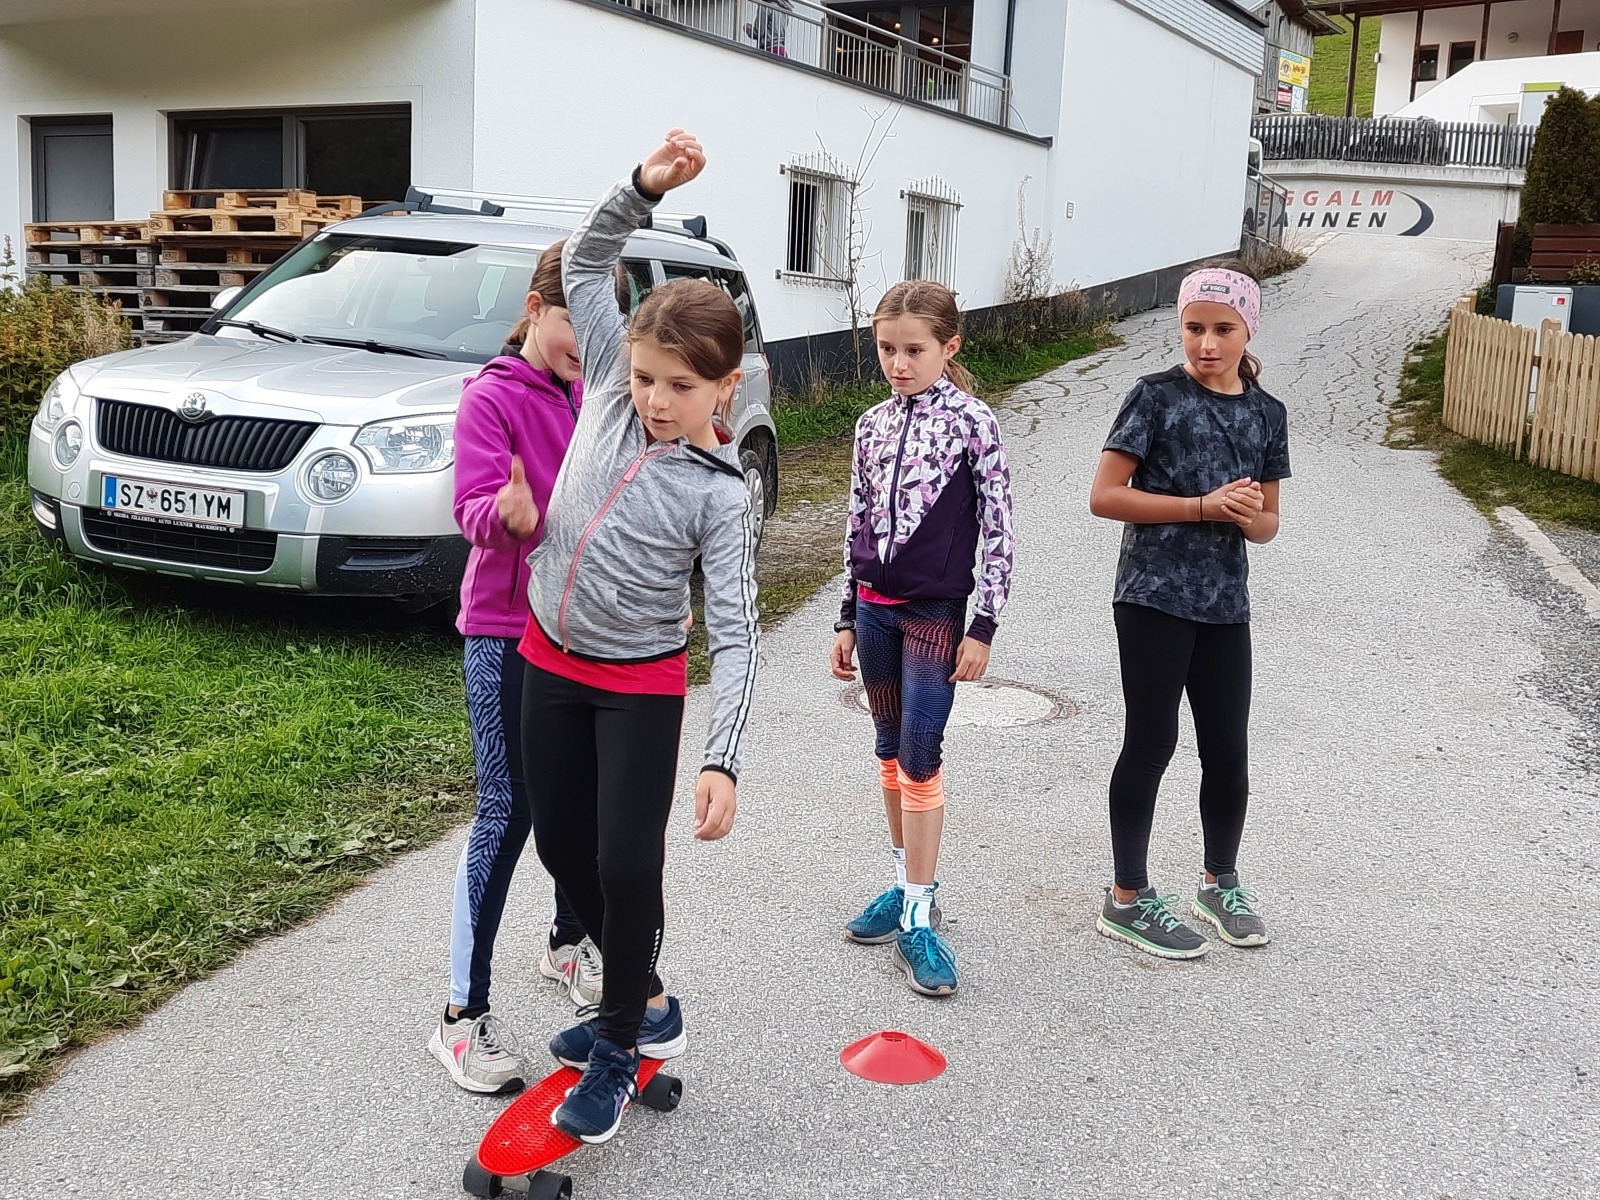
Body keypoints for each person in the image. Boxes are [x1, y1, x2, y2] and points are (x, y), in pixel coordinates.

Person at [510, 130, 759, 1144]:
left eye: (681, 388)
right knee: (561, 848)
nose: (657, 400)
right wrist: (642, 188)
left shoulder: (720, 494)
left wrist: (722, 759)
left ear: (724, 387)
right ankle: (645, 1000)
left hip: (639, 686)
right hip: (546, 656)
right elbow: (583, 262)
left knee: (625, 865)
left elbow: (736, 635)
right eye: (649, 377)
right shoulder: (612, 386)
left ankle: (618, 1044)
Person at [426, 241, 628, 1094]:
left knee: (576, 803)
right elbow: (472, 506)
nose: (591, 337)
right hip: (504, 633)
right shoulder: (492, 397)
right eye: (576, 318)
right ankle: (459, 1017)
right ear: (538, 308)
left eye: (604, 321)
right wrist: (504, 515)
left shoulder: (595, 396)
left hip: (577, 633)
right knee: (507, 812)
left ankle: (566, 943)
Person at [1087, 262, 1289, 960]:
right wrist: (1202, 506)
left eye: (1223, 329)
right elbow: (1105, 495)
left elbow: (1268, 525)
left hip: (1225, 603)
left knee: (1227, 749)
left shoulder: (1266, 413)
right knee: (1151, 742)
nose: (1207, 343)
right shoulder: (1155, 397)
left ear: (1248, 330)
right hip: (1151, 595)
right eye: (1194, 328)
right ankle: (1127, 898)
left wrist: (1247, 514)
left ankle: (1218, 884)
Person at [829, 280, 1015, 999]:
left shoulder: (973, 422)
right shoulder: (871, 424)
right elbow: (856, 519)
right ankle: (907, 884)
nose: (899, 364)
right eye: (886, 349)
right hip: (875, 612)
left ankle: (917, 918)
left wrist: (984, 626)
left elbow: (998, 526)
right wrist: (847, 615)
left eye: (914, 350)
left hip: (935, 616)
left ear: (949, 346)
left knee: (919, 753)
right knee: (887, 749)